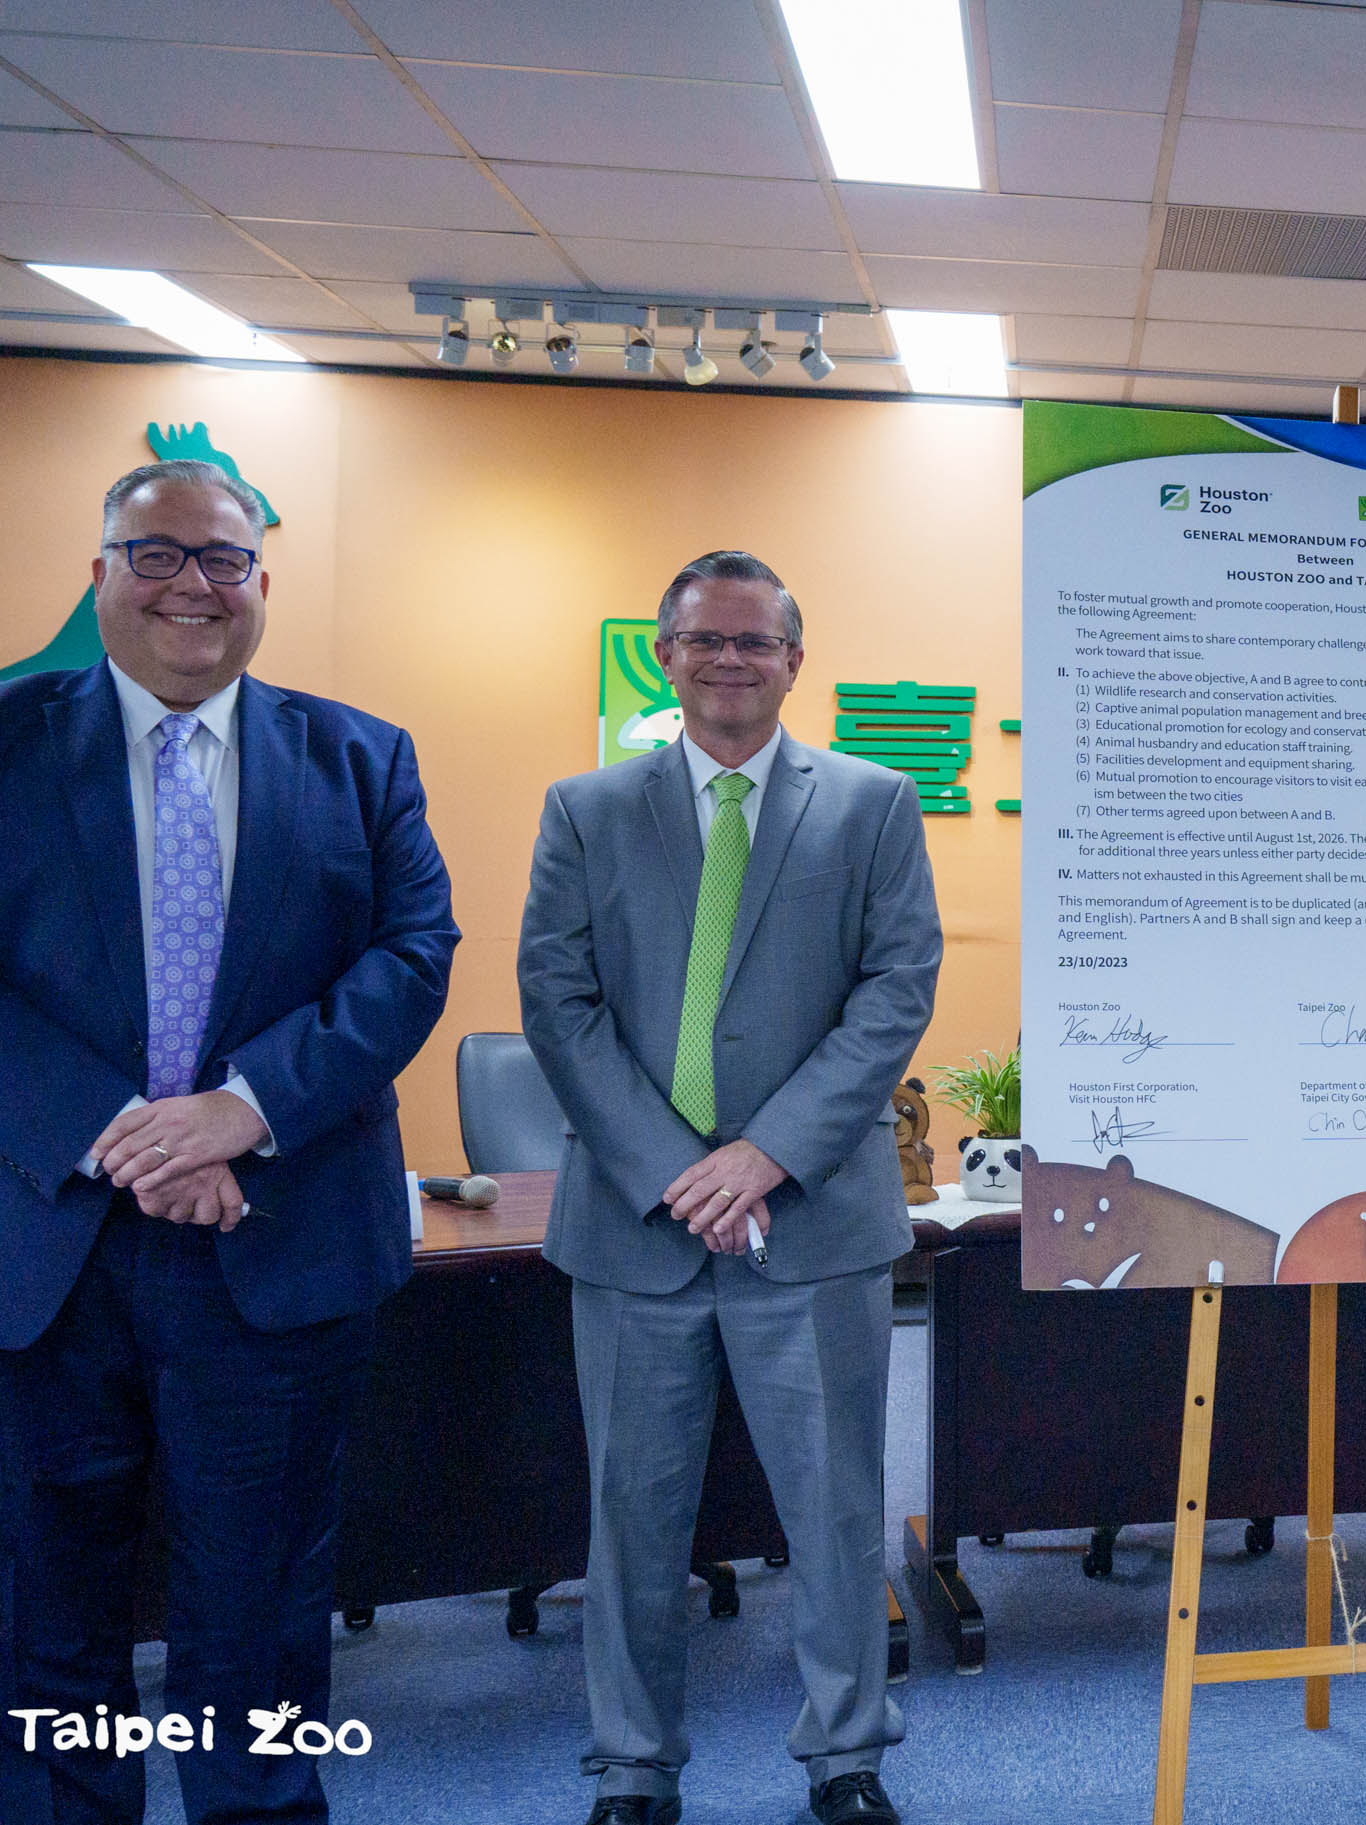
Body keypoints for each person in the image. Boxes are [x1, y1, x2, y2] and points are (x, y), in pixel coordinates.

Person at [0, 459, 459, 1823]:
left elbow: (413, 958)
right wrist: (123, 1133)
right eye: (157, 554)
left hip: (276, 1248)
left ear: (262, 584)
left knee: (265, 1611)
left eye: (223, 560)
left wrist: (243, 1110)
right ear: (99, 570)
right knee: (36, 1615)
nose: (193, 585)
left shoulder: (361, 755)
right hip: (34, 1261)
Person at [519, 551, 941, 1825]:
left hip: (810, 1220)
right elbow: (557, 998)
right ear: (667, 654)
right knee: (631, 1522)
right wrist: (673, 1169)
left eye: (756, 641)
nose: (729, 660)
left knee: (834, 1508)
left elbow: (894, 990)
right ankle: (633, 1765)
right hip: (636, 1230)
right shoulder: (587, 807)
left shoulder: (871, 804)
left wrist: (766, 1153)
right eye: (703, 640)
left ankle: (847, 1755)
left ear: (794, 660)